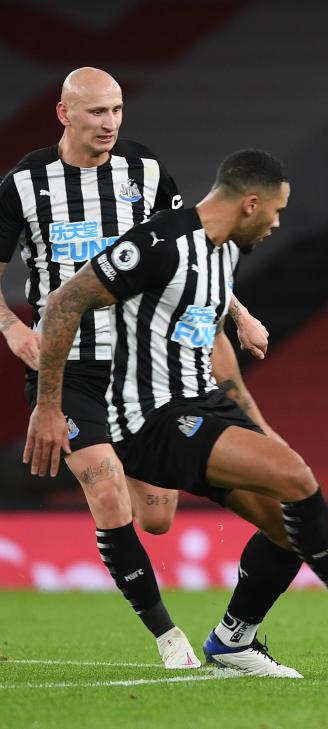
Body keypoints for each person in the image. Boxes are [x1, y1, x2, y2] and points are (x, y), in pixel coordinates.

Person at [24, 148, 328, 675]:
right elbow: (65, 301)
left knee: (289, 527)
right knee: (295, 477)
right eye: (277, 211)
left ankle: (232, 643)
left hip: (200, 405)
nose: (277, 223)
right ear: (250, 203)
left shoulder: (224, 251)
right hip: (149, 420)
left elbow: (211, 346)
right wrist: (47, 405)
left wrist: (258, 420)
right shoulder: (160, 242)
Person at [0, 67, 276, 669]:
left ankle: (119, 453)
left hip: (141, 366)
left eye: (117, 110)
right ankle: (170, 641)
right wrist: (13, 325)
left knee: (157, 518)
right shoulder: (25, 183)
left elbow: (190, 248)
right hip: (67, 366)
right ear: (63, 113)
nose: (110, 123)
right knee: (106, 489)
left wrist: (238, 313)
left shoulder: (144, 171)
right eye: (97, 112)